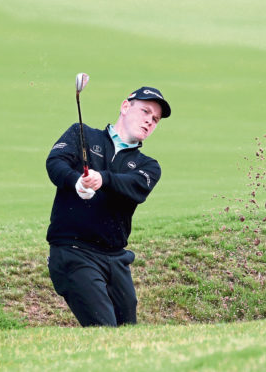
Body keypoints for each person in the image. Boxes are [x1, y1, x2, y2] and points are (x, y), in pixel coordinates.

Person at [46, 86, 171, 327]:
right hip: (73, 251)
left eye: (155, 119)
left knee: (127, 336)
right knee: (105, 331)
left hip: (115, 259)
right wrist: (76, 182)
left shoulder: (148, 166)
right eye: (145, 111)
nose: (149, 121)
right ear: (125, 107)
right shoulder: (82, 134)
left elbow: (135, 187)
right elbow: (55, 163)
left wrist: (102, 179)